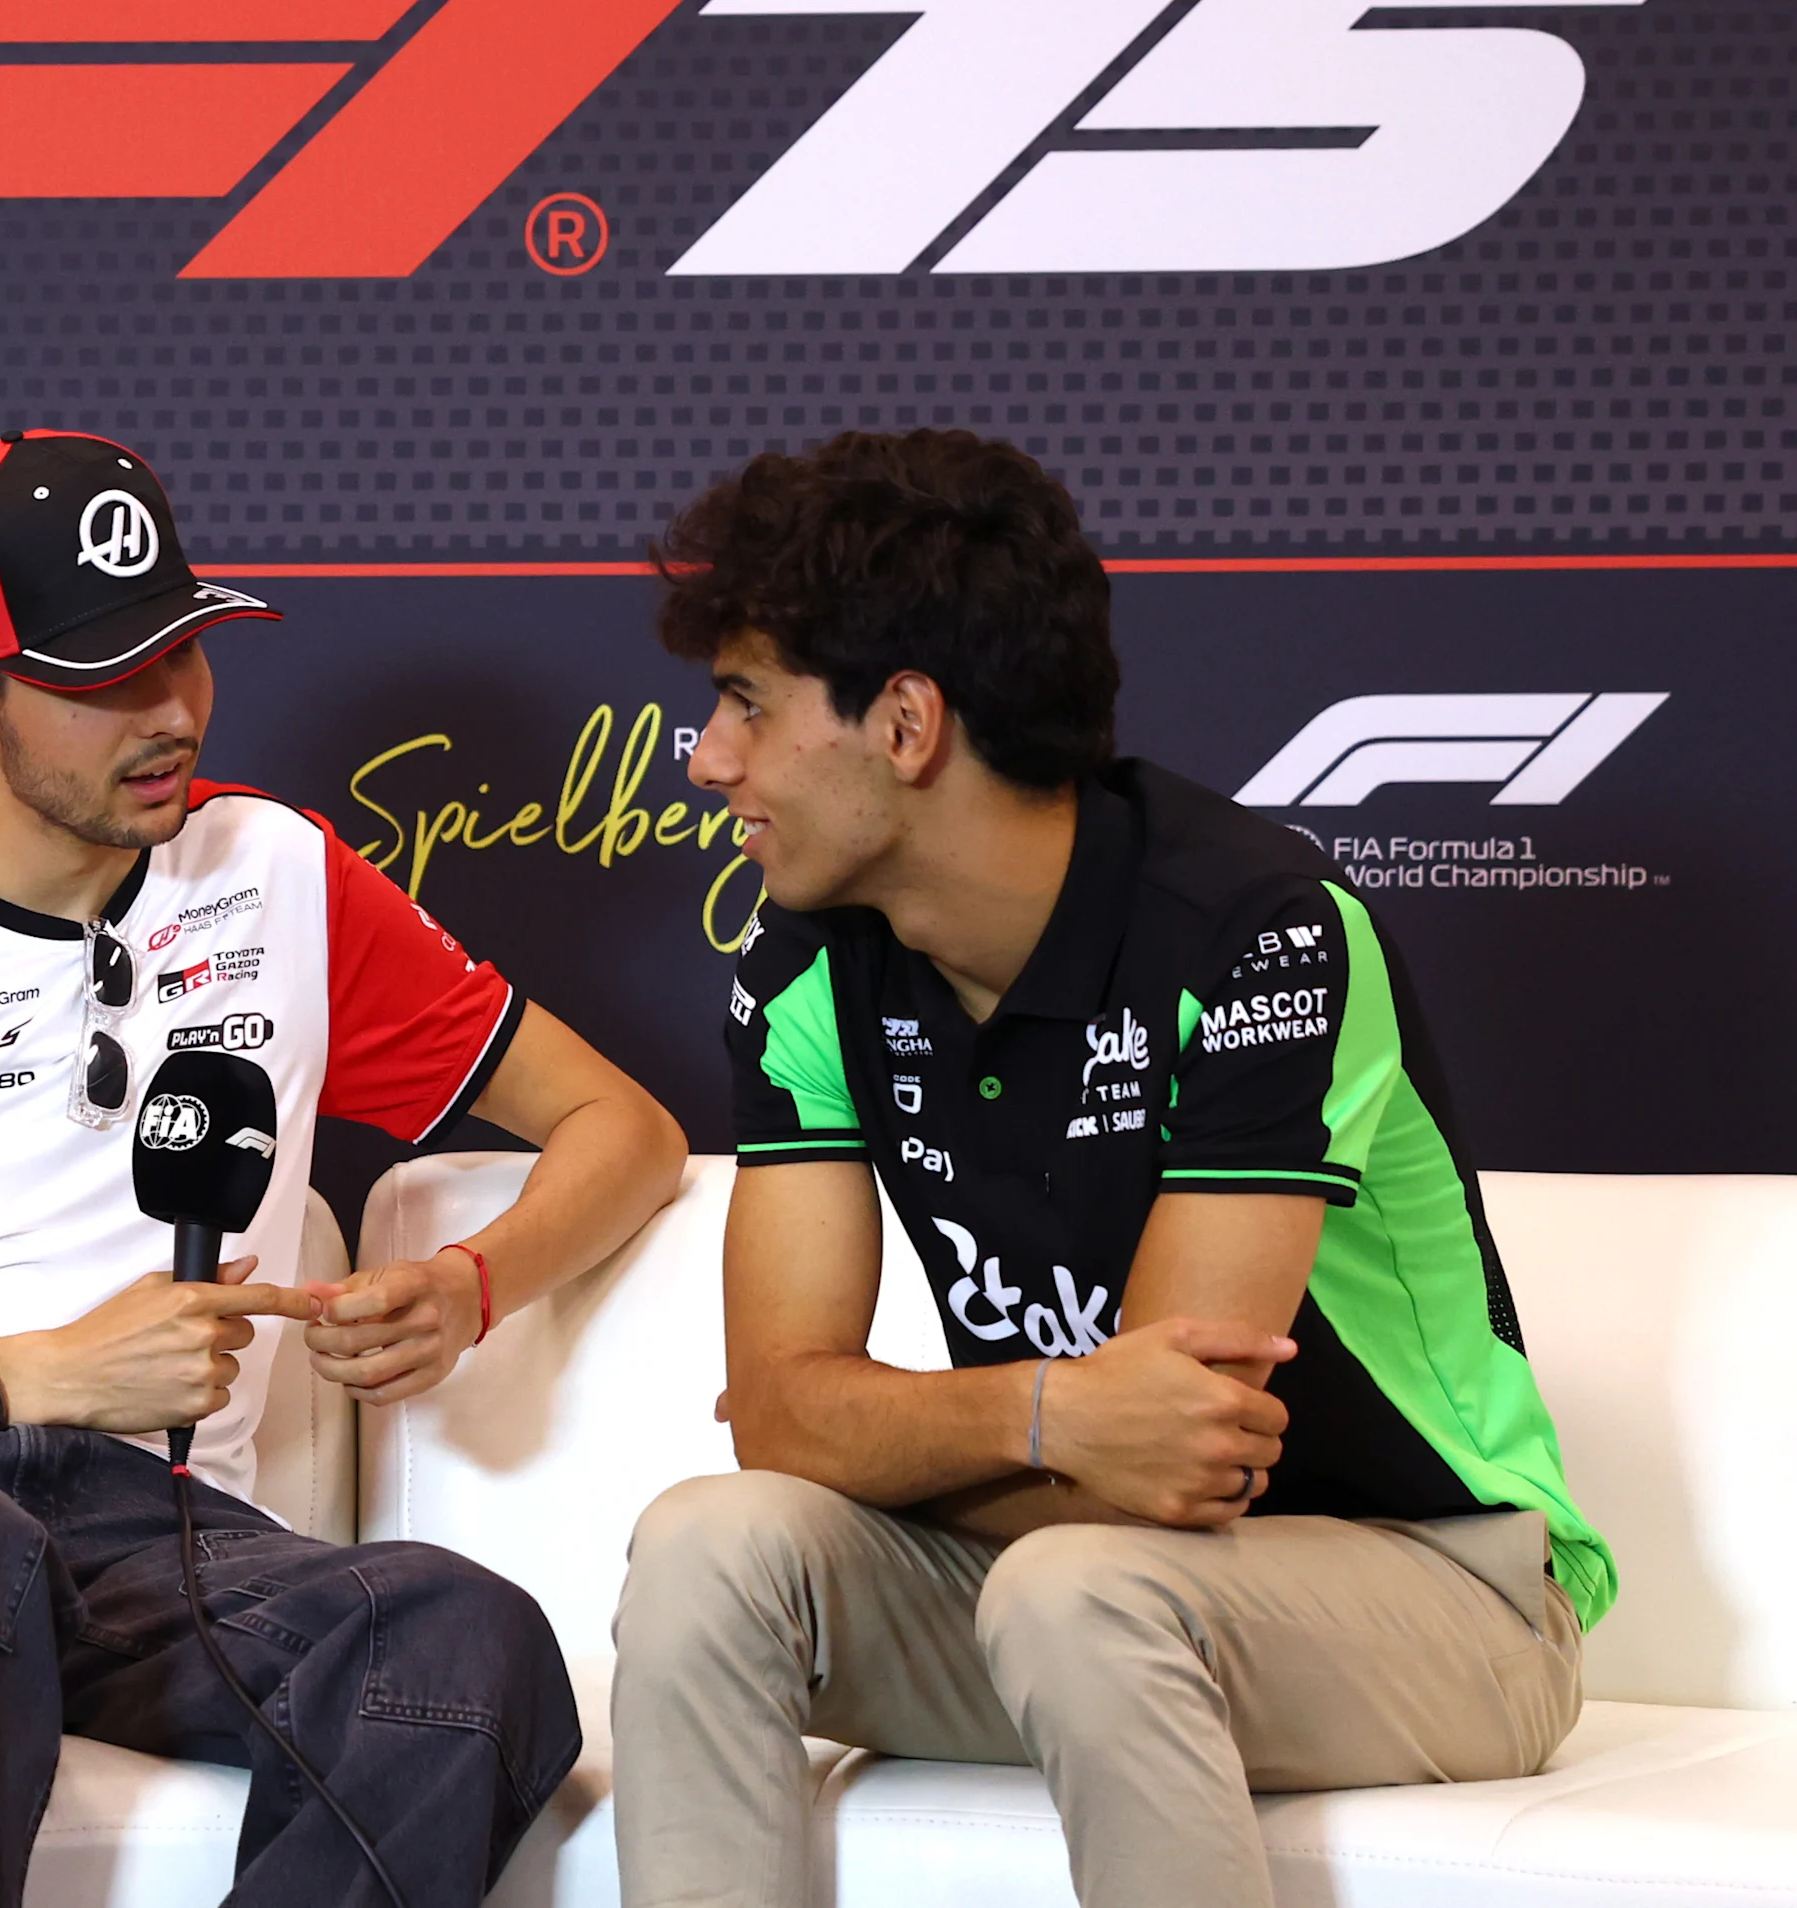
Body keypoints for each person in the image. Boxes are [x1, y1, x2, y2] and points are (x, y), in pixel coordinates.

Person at [0, 429, 688, 1907]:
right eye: (105, 680)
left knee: (460, 1642)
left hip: (146, 1539)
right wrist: (23, 1374)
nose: (171, 713)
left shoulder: (279, 874)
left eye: (183, 652)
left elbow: (627, 1129)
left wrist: (470, 1284)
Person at [606, 430, 1608, 1908]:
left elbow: (1175, 1475)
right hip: (1060, 1578)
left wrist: (894, 1433)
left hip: (1441, 1588)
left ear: (905, 722)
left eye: (747, 702)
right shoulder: (806, 964)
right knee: (704, 1547)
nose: (709, 757)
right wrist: (1043, 1412)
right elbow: (782, 1419)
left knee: (1085, 1590)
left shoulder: (1260, 930)